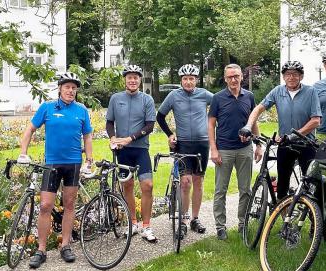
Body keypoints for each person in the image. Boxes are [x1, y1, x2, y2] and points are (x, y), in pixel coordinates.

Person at [18, 72, 93, 268]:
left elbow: (88, 137)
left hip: (73, 164)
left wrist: (89, 160)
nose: (71, 91)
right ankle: (41, 250)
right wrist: (23, 153)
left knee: (69, 204)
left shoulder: (81, 110)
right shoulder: (48, 108)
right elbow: (29, 130)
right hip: (52, 163)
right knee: (45, 206)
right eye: (67, 87)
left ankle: (65, 245)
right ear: (60, 89)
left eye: (74, 88)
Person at [240, 60, 322, 200]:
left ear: (301, 76)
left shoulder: (310, 92)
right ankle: (283, 216)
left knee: (312, 183)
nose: (291, 77)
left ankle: (316, 217)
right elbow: (258, 109)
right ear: (283, 77)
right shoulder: (278, 91)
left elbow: (315, 120)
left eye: (295, 74)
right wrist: (248, 126)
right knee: (283, 182)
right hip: (285, 144)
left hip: (306, 144)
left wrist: (294, 136)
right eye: (288, 74)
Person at [157, 64, 213, 237]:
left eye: (191, 79)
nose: (188, 82)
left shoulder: (204, 94)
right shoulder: (174, 96)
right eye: (185, 79)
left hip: (202, 144)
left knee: (198, 181)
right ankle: (183, 220)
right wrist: (170, 134)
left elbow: (220, 106)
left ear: (196, 79)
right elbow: (160, 116)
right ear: (181, 80)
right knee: (185, 182)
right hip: (183, 145)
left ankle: (195, 218)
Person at [106, 65, 157, 242]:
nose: (133, 80)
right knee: (127, 186)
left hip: (141, 149)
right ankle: (133, 223)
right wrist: (113, 138)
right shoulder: (116, 98)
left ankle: (146, 226)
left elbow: (150, 125)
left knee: (147, 185)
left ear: (140, 80)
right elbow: (109, 123)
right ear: (125, 80)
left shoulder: (147, 99)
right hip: (123, 151)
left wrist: (130, 138)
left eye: (136, 77)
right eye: (130, 77)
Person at [208, 64, 256, 240]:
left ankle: (243, 224)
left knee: (246, 190)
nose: (233, 80)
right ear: (225, 78)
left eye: (236, 76)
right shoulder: (218, 98)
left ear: (241, 76)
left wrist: (257, 144)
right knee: (221, 190)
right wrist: (213, 149)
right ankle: (220, 227)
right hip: (224, 150)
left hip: (245, 150)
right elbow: (211, 124)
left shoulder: (249, 96)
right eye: (230, 77)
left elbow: (253, 120)